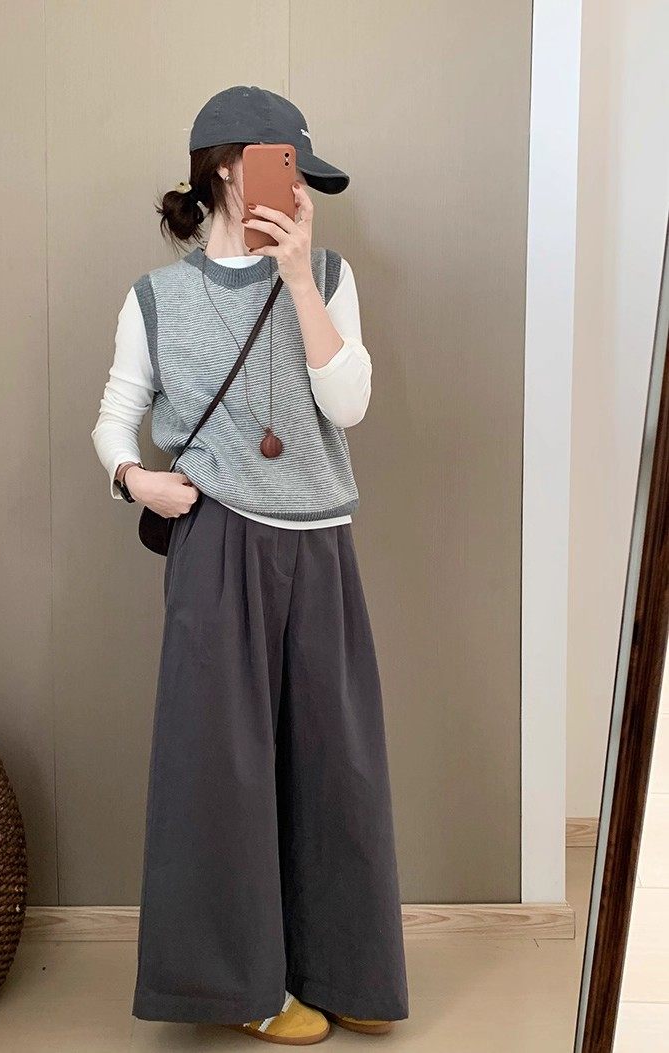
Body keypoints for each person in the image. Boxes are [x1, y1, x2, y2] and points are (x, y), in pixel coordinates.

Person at [91, 85, 409, 1045]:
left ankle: (345, 966)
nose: (299, 189)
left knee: (337, 766)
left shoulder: (330, 275)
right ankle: (243, 987)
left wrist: (301, 278)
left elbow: (349, 406)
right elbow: (115, 416)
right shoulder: (156, 297)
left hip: (320, 544)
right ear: (231, 168)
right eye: (286, 167)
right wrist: (134, 480)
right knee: (219, 772)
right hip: (218, 544)